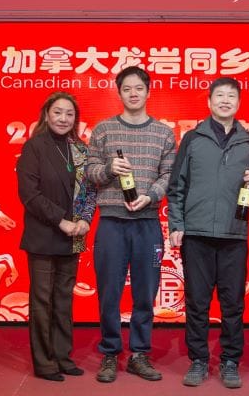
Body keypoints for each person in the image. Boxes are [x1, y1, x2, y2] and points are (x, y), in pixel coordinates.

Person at [167, 77, 249, 389]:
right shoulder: (193, 139)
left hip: (234, 234)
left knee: (233, 303)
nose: (225, 101)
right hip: (196, 234)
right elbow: (177, 186)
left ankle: (230, 360)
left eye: (231, 96)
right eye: (219, 95)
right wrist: (177, 225)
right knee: (197, 302)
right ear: (209, 102)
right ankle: (198, 359)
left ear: (239, 103)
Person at [85, 66, 176, 383]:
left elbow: (169, 175)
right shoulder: (103, 130)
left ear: (149, 92)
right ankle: (110, 352)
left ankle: (139, 353)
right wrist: (109, 168)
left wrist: (151, 197)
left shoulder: (163, 132)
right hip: (111, 222)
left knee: (145, 292)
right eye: (127, 89)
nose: (133, 93)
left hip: (147, 223)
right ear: (119, 93)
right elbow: (90, 172)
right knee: (108, 292)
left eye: (139, 88)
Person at [16, 91, 97, 382]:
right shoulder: (34, 147)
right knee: (42, 301)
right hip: (44, 235)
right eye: (58, 112)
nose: (63, 118)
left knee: (64, 299)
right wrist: (61, 221)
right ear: (46, 115)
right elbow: (29, 194)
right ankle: (44, 362)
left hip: (72, 236)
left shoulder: (81, 150)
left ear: (76, 119)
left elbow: (89, 190)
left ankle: (63, 356)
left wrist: (85, 219)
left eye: (69, 114)